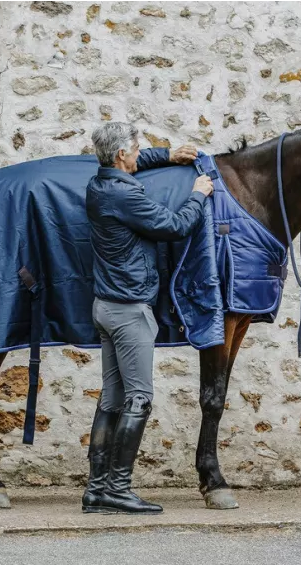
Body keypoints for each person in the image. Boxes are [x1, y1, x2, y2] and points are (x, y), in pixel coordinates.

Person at [83, 122, 214, 514]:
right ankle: (117, 489)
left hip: (106, 306)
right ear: (122, 155)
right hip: (129, 311)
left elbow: (133, 161)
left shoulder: (100, 183)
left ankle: (96, 490)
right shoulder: (125, 195)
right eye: (138, 149)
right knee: (139, 398)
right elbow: (174, 227)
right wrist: (198, 195)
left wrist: (168, 155)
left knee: (111, 400)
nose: (142, 153)